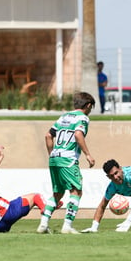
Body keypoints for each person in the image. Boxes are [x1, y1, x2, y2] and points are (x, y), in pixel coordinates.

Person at [37, 92, 96, 234]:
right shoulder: (83, 118)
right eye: (91, 108)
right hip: (68, 159)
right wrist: (88, 154)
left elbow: (48, 135)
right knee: (76, 191)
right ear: (88, 105)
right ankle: (67, 226)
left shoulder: (64, 117)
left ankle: (43, 224)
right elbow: (78, 134)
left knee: (57, 193)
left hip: (55, 158)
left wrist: (52, 154)